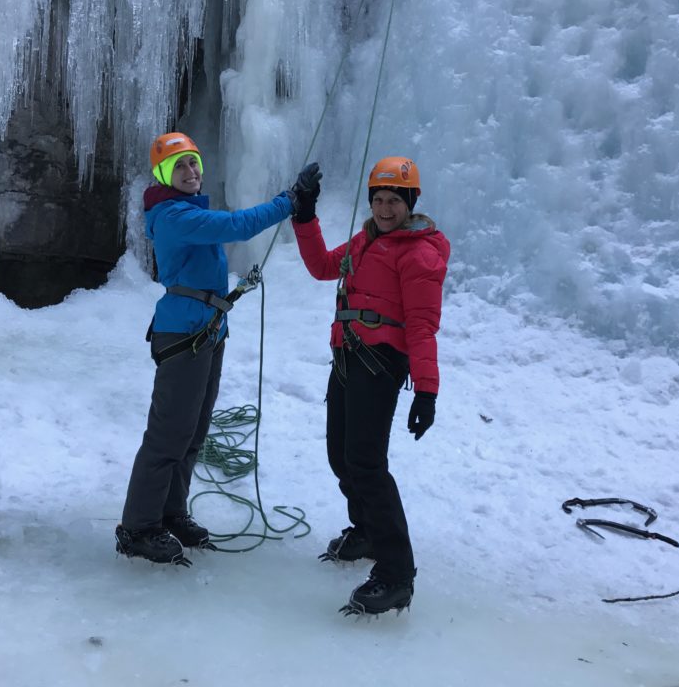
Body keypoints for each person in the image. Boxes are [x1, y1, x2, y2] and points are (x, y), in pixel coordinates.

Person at [115, 132, 320, 566]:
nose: (192, 172)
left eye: (194, 163)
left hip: (208, 330)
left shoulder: (186, 210)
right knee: (168, 435)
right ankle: (138, 528)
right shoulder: (171, 215)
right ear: (165, 177)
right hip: (184, 333)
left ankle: (170, 513)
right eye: (180, 167)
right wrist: (289, 200)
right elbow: (234, 226)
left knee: (192, 433)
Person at [290, 156, 449, 614]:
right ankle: (366, 531)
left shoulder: (418, 254)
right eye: (378, 200)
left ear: (410, 202)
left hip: (380, 363)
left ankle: (397, 574)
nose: (384, 208)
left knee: (366, 464)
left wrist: (426, 391)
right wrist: (305, 216)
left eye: (393, 201)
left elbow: (422, 326)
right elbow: (322, 266)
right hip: (347, 357)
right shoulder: (364, 242)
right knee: (340, 454)